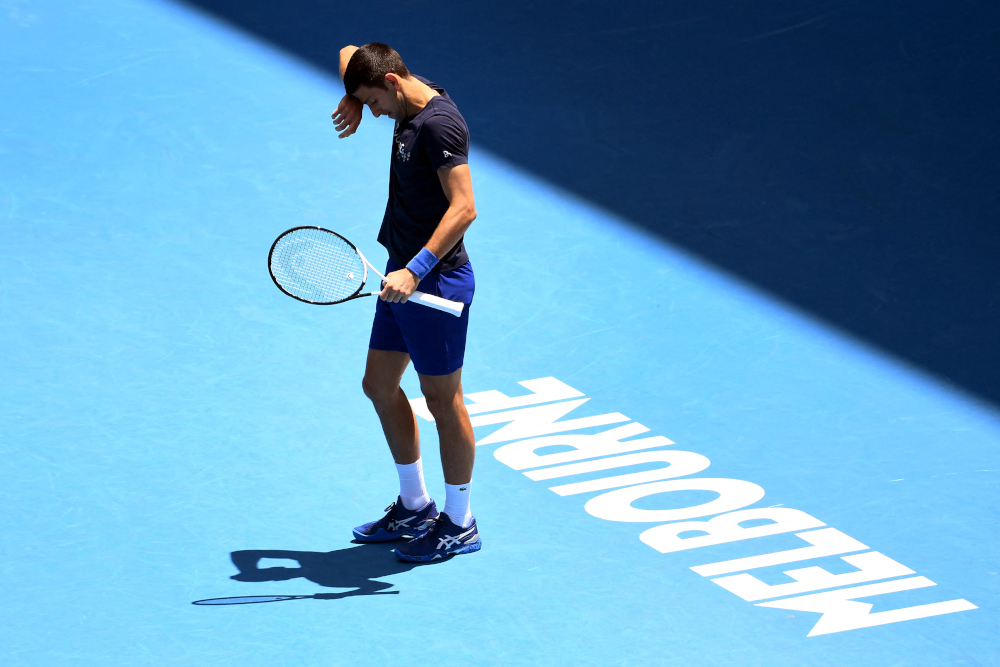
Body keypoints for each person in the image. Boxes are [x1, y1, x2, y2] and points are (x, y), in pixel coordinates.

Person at [331, 43, 480, 562]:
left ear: (393, 83)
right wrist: (350, 94)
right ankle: (416, 505)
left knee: (443, 402)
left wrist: (415, 272)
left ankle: (459, 522)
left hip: (433, 285)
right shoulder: (402, 95)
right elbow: (351, 50)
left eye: (373, 102)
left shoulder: (439, 126)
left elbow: (465, 208)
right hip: (399, 277)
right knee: (378, 385)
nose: (372, 114)